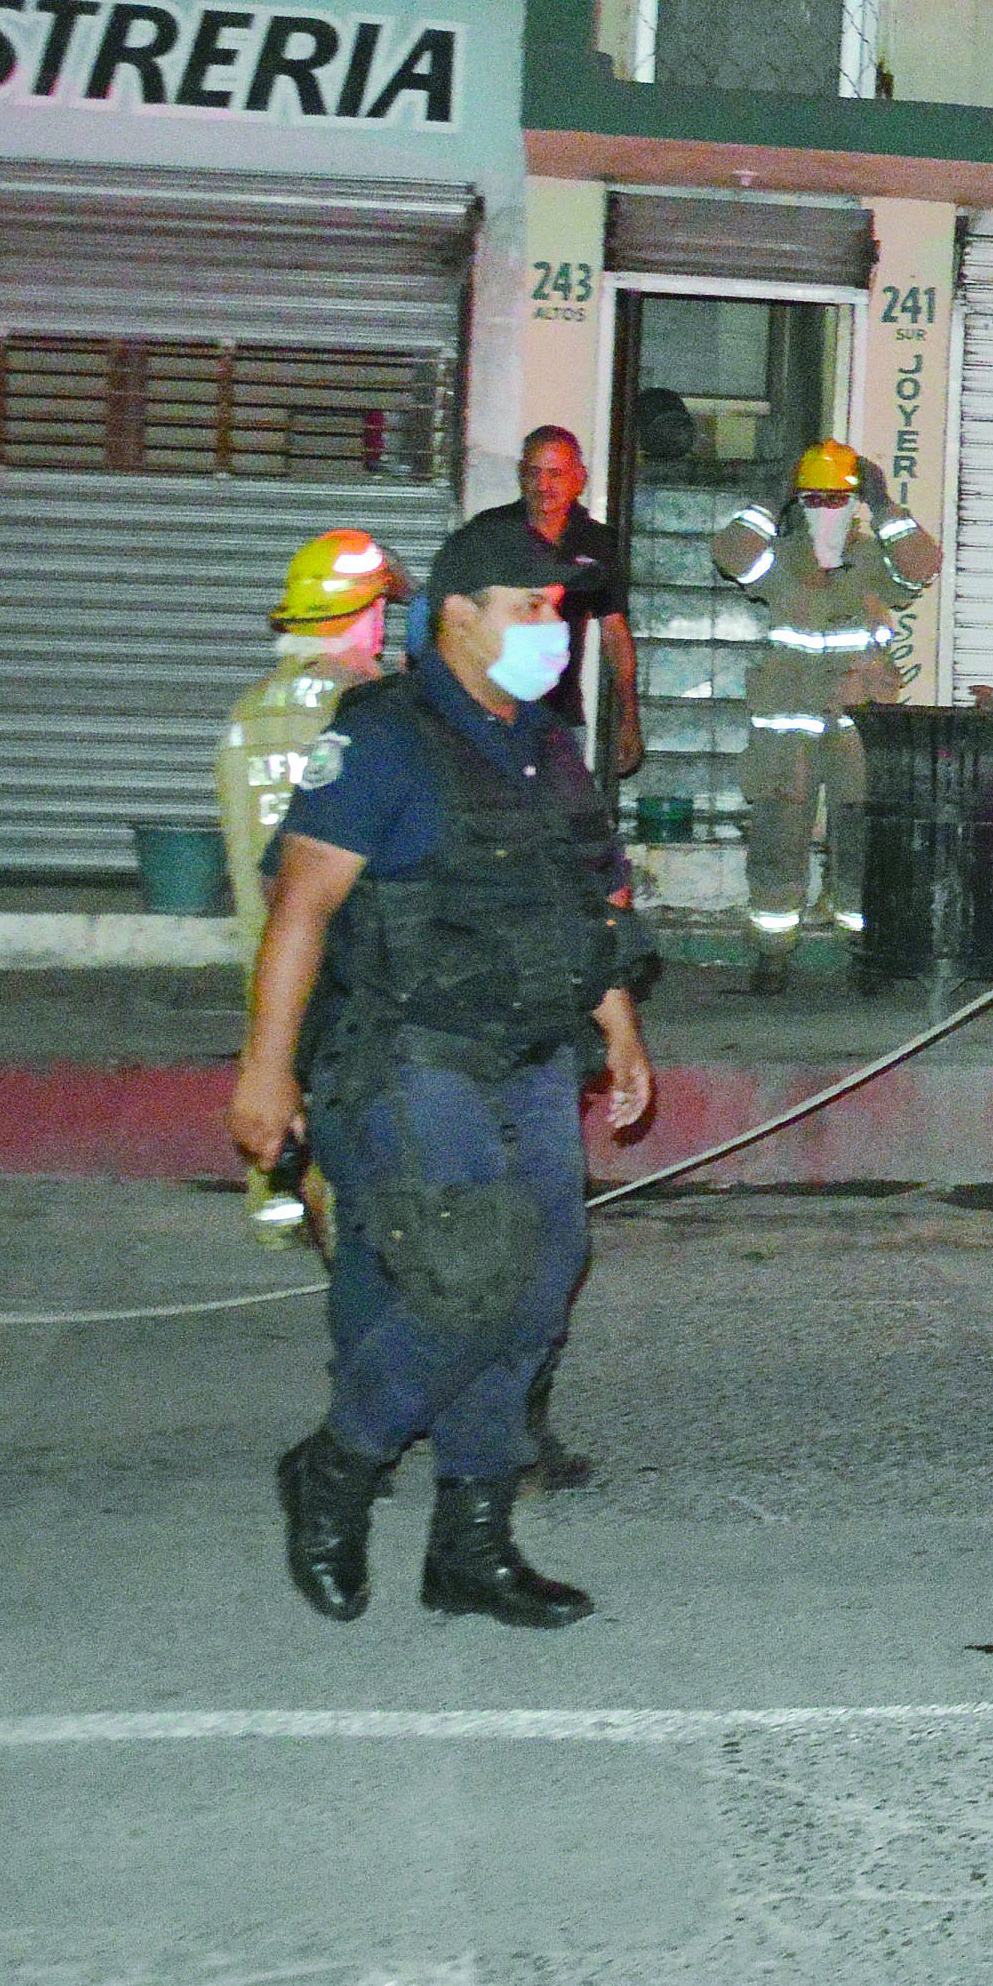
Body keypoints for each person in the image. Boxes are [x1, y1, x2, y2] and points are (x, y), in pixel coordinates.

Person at [229, 512, 657, 1629]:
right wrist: (265, 1075)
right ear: (458, 616)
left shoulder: (546, 746)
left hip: (529, 1053)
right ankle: (338, 1466)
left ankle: (472, 1542)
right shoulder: (382, 738)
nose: (551, 633)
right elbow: (302, 907)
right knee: (471, 1279)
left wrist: (619, 1028)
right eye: (531, 610)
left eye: (558, 613)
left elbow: (583, 901)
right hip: (413, 1050)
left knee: (543, 1276)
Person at [216, 527, 412, 1247]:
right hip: (341, 950)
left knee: (271, 1045)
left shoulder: (248, 712)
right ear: (366, 615)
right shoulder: (371, 711)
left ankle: (271, 1208)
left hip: (261, 946)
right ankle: (338, 1225)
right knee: (340, 1068)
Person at [712, 439, 944, 994]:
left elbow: (923, 566)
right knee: (776, 841)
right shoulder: (781, 560)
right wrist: (772, 500)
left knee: (864, 844)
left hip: (857, 728)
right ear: (800, 503)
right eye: (813, 499)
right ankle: (772, 955)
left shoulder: (872, 561)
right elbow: (732, 554)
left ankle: (866, 953)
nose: (825, 511)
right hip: (787, 731)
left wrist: (886, 505)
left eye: (837, 499)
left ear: (854, 503)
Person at [469, 426, 637, 779]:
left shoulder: (597, 543)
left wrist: (629, 715)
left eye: (556, 474)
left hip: (559, 721)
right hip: (490, 715)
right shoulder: (489, 533)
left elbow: (614, 632)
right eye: (535, 473)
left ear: (579, 479)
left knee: (561, 827)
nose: (544, 486)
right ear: (521, 476)